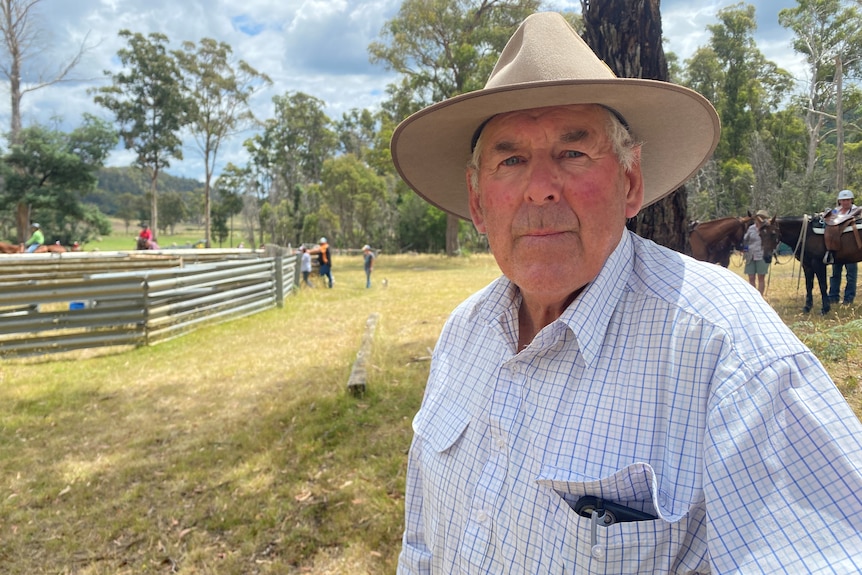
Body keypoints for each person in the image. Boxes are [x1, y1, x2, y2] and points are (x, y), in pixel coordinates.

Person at [390, 12, 862, 574]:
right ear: (476, 202)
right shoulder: (461, 333)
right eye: (511, 159)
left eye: (573, 152)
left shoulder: (726, 349)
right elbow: (421, 540)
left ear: (631, 181)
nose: (540, 187)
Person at [828, 189, 857, 304]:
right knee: (835, 274)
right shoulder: (835, 211)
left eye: (847, 200)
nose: (845, 202)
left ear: (851, 200)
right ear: (839, 201)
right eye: (843, 200)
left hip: (852, 249)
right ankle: (833, 296)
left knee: (851, 274)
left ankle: (849, 298)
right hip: (837, 248)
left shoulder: (857, 211)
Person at [742, 209, 771, 295]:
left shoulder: (768, 228)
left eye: (761, 218)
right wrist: (745, 249)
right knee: (751, 277)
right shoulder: (751, 228)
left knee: (761, 278)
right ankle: (753, 296)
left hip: (762, 255)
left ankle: (760, 296)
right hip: (750, 255)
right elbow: (745, 240)